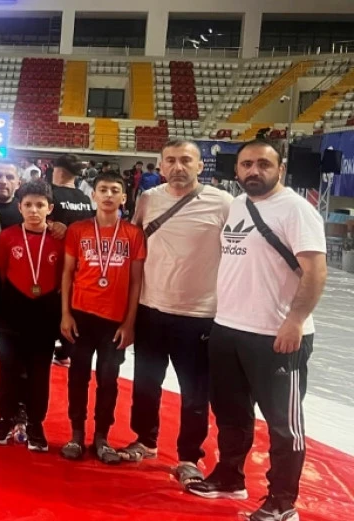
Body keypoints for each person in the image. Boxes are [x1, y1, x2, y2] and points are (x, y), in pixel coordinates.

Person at [187, 140, 327, 521]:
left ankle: (282, 502)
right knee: (231, 413)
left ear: (280, 169)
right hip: (228, 328)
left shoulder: (297, 210)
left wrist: (295, 320)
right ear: (236, 170)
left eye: (263, 164)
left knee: (284, 424)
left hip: (277, 334)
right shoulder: (237, 205)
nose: (254, 171)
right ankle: (229, 477)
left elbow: (315, 272)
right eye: (247, 164)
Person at [115, 140, 234, 487]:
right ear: (162, 166)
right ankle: (145, 440)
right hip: (151, 308)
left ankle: (189, 457)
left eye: (186, 160)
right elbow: (134, 244)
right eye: (171, 160)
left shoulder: (223, 203)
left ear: (200, 166)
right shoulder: (149, 199)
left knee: (195, 392)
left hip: (199, 314)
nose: (178, 167)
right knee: (146, 383)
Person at [58, 170, 146, 464]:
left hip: (115, 321)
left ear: (124, 197)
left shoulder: (133, 234)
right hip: (81, 316)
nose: (109, 195)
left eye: (115, 190)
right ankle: (76, 434)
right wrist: (65, 314)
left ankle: (102, 437)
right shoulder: (78, 230)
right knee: (78, 376)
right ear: (93, 195)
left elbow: (136, 281)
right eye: (103, 190)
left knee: (108, 379)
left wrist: (129, 323)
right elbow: (67, 273)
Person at [0, 180, 63, 452]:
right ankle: (5, 417)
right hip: (11, 310)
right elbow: (1, 272)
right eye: (28, 205)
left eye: (40, 205)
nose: (34, 210)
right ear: (19, 207)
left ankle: (35, 422)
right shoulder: (7, 236)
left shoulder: (59, 239)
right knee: (8, 367)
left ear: (50, 208)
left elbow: (63, 277)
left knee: (39, 370)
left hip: (45, 311)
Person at [48, 153, 96, 366]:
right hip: (78, 264)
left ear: (57, 170)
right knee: (71, 307)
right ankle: (66, 350)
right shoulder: (85, 199)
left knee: (51, 309)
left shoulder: (50, 194)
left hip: (52, 262)